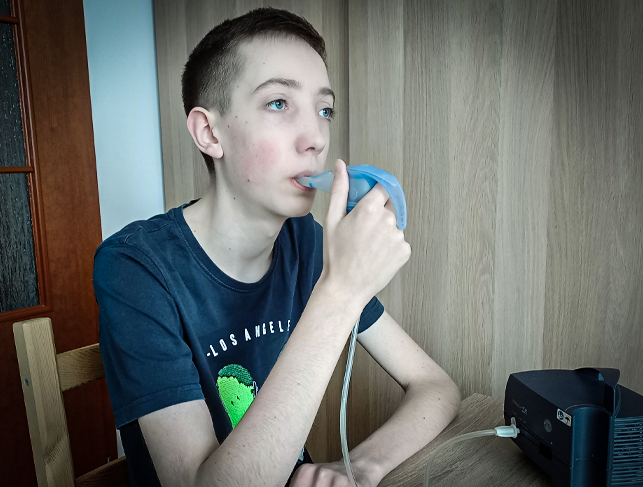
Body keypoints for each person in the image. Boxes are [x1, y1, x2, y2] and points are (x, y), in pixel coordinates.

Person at [93, 7, 460, 487]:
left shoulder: (306, 243)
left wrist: (362, 465)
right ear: (209, 133)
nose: (316, 139)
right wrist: (341, 291)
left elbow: (435, 386)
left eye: (324, 110)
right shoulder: (134, 267)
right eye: (279, 103)